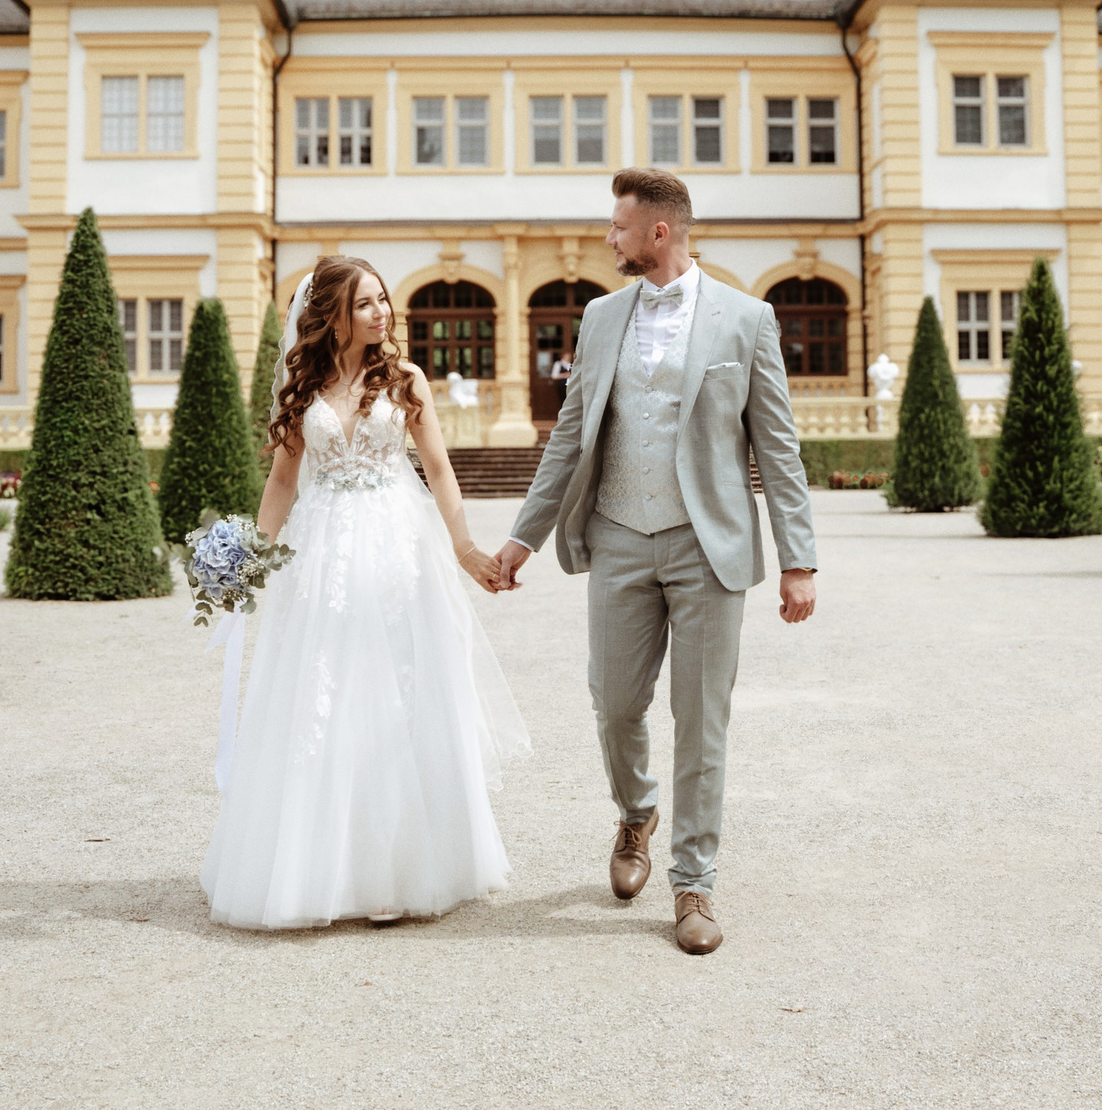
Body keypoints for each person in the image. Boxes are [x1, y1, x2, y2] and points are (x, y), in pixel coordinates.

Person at [491, 168, 818, 955]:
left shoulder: (748, 319)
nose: (609, 237)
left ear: (658, 231)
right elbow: (570, 435)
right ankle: (636, 811)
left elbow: (776, 446)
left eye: (618, 226)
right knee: (613, 701)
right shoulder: (600, 316)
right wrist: (523, 536)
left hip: (708, 545)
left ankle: (693, 880)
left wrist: (798, 558)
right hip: (617, 535)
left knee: (700, 719)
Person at [200, 256, 530, 930]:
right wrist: (248, 561)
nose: (382, 313)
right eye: (365, 303)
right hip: (321, 556)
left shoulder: (405, 380)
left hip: (397, 552)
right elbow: (282, 484)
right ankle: (320, 867)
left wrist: (465, 548)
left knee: (397, 695)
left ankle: (394, 868)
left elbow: (438, 469)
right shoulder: (305, 388)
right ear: (332, 316)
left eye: (383, 300)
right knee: (324, 694)